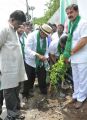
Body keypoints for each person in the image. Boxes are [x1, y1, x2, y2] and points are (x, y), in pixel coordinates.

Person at [0, 10, 26, 120]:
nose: (19, 27)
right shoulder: (4, 29)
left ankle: (14, 113)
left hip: (16, 69)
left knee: (15, 90)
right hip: (7, 70)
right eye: (18, 24)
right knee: (9, 92)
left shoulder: (14, 30)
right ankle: (11, 115)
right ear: (12, 19)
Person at [63, 4, 87, 109]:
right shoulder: (71, 24)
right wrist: (68, 54)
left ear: (77, 12)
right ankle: (75, 95)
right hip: (73, 57)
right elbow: (70, 40)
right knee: (75, 79)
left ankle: (81, 98)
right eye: (67, 13)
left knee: (82, 79)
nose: (69, 15)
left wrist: (71, 51)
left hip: (82, 57)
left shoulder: (83, 23)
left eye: (71, 12)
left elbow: (84, 40)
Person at [23, 24, 52, 99]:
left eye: (47, 35)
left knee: (42, 76)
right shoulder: (32, 36)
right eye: (45, 34)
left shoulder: (45, 38)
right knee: (29, 78)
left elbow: (46, 50)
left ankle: (44, 92)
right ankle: (25, 94)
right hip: (30, 61)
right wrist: (37, 55)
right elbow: (27, 49)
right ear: (41, 31)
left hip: (40, 61)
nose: (46, 36)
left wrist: (46, 57)